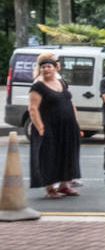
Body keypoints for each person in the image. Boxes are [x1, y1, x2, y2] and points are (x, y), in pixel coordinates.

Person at [27, 53, 82, 200]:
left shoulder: (61, 83)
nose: (46, 69)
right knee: (49, 156)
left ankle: (64, 185)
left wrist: (76, 122)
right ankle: (50, 189)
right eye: (43, 67)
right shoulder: (38, 86)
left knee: (68, 154)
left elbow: (70, 103)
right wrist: (40, 128)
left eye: (49, 66)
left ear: (55, 68)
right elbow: (33, 109)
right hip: (49, 126)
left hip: (67, 126)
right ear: (40, 69)